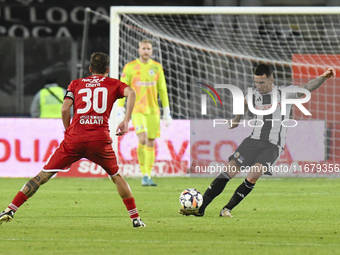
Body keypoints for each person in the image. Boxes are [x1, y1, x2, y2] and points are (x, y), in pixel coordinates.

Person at [0, 52, 146, 228]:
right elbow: (131, 93)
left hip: (74, 139)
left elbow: (64, 109)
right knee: (116, 176)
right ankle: (135, 219)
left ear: (90, 68)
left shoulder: (76, 84)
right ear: (107, 69)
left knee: (43, 175)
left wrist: (69, 130)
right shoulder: (113, 84)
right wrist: (126, 121)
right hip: (99, 139)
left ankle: (10, 209)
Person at [180, 63, 336, 217]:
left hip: (273, 145)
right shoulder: (253, 95)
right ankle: (201, 209)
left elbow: (307, 88)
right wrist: (236, 119)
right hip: (252, 141)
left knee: (253, 175)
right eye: (256, 82)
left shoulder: (285, 93)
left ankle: (226, 209)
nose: (258, 85)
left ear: (271, 80)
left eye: (261, 82)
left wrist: (323, 76)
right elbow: (244, 103)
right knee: (228, 171)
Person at [117, 39, 172, 186]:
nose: (146, 51)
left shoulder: (157, 67)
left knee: (151, 141)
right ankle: (144, 174)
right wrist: (120, 107)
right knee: (142, 138)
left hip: (153, 110)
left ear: (152, 51)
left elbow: (162, 89)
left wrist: (166, 110)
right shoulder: (130, 67)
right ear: (139, 50)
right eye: (144, 48)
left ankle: (148, 174)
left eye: (149, 48)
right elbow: (122, 87)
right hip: (137, 110)